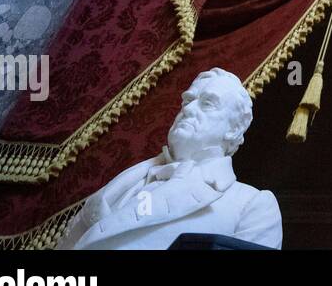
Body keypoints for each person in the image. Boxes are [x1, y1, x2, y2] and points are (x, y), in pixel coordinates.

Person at [58, 68, 282, 249]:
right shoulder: (124, 182)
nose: (189, 109)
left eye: (207, 103)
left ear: (233, 130)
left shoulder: (251, 204)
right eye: (187, 101)